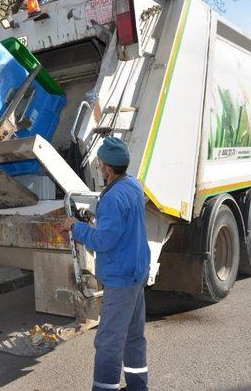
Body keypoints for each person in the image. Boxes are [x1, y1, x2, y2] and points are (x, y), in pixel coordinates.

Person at [60, 137, 150, 391]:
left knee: (109, 341)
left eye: (100, 163)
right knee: (133, 337)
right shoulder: (133, 185)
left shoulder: (112, 198)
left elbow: (103, 240)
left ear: (108, 168)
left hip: (121, 279)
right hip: (136, 273)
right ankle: (138, 386)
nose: (99, 167)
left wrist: (76, 227)